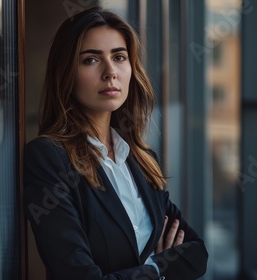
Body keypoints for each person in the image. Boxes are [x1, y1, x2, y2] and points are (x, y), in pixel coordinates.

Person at [24, 7, 208, 280]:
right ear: (66, 73)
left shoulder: (142, 160)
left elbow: (197, 254)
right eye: (90, 60)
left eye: (119, 57)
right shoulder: (48, 158)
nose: (110, 72)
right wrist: (157, 268)